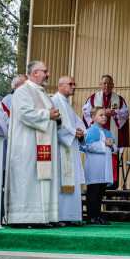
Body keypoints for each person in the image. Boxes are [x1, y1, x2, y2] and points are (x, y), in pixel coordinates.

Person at [6, 61, 63, 227]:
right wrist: (47, 114)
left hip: (42, 145)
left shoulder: (43, 93)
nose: (48, 74)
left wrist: (55, 117)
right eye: (45, 71)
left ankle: (42, 217)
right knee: (28, 179)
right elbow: (24, 113)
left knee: (42, 180)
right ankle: (24, 217)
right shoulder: (22, 91)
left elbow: (49, 115)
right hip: (27, 146)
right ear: (35, 72)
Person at [50, 75, 86, 225]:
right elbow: (54, 126)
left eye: (74, 84)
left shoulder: (67, 104)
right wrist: (73, 132)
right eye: (70, 84)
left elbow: (78, 123)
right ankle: (60, 216)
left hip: (70, 147)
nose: (74, 87)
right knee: (60, 182)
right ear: (60, 85)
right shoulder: (53, 101)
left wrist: (81, 132)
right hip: (60, 150)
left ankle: (70, 216)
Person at [82, 74, 130, 183]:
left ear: (113, 85)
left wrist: (115, 112)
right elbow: (85, 111)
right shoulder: (93, 98)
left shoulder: (119, 99)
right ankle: (97, 181)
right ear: (100, 85)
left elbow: (126, 113)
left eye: (109, 83)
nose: (107, 85)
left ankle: (112, 183)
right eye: (104, 83)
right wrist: (98, 115)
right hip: (97, 132)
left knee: (112, 153)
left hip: (111, 131)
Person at [83, 107, 114, 225]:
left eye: (105, 115)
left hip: (104, 166)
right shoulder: (91, 130)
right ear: (93, 117)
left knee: (100, 192)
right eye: (101, 115)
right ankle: (91, 216)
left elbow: (114, 148)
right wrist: (104, 144)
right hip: (94, 166)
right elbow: (87, 146)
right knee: (93, 193)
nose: (104, 117)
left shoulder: (107, 132)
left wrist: (111, 146)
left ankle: (98, 215)